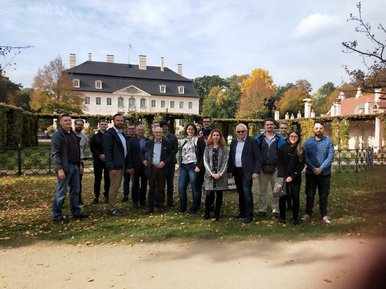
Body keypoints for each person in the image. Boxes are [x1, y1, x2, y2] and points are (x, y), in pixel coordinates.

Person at [51, 114, 89, 222]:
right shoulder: (58, 135)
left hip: (75, 166)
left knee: (75, 191)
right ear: (60, 122)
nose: (68, 122)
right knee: (61, 192)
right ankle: (57, 216)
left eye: (69, 120)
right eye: (65, 120)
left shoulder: (72, 134)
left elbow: (77, 151)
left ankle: (75, 212)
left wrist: (80, 164)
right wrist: (59, 169)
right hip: (65, 167)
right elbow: (55, 154)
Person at [303, 121, 335, 224]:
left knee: (324, 195)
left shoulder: (328, 142)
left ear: (323, 129)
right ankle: (308, 213)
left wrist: (321, 168)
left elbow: (330, 157)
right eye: (316, 128)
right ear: (313, 129)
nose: (318, 130)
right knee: (310, 194)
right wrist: (313, 168)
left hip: (324, 174)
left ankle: (324, 215)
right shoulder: (307, 143)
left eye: (320, 128)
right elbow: (305, 157)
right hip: (310, 173)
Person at [228, 123, 260, 224]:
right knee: (240, 192)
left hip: (248, 172)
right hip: (237, 171)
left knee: (247, 193)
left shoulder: (252, 141)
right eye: (239, 131)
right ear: (236, 132)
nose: (241, 133)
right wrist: (230, 170)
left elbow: (258, 158)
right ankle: (242, 212)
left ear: (246, 131)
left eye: (243, 131)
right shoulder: (233, 142)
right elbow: (231, 156)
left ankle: (249, 215)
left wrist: (256, 171)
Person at [255, 118, 286, 218]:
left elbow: (283, 154)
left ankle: (275, 209)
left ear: (274, 126)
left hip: (276, 169)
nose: (269, 126)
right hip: (262, 169)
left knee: (276, 190)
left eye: (271, 124)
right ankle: (262, 209)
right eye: (267, 124)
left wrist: (280, 166)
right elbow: (255, 154)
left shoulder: (280, 139)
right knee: (261, 191)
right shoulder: (258, 139)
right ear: (264, 126)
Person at [102, 114, 130, 216]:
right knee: (114, 187)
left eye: (122, 121)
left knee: (117, 186)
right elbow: (107, 152)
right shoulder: (109, 134)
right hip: (115, 166)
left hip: (121, 164)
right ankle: (112, 208)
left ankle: (114, 206)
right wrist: (111, 167)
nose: (120, 122)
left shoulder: (121, 134)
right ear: (114, 121)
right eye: (118, 120)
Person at [142, 126, 172, 214]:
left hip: (162, 168)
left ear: (163, 133)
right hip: (151, 168)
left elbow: (171, 155)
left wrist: (164, 162)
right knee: (151, 188)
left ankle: (161, 206)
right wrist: (143, 160)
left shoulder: (167, 143)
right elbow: (141, 152)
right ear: (154, 133)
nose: (158, 134)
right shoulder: (148, 143)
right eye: (157, 132)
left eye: (160, 132)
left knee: (161, 188)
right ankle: (150, 207)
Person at [277, 129, 305, 225]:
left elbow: (301, 165)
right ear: (288, 137)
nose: (293, 138)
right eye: (291, 136)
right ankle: (282, 217)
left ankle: (295, 218)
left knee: (295, 197)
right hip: (282, 176)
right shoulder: (282, 148)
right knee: (282, 197)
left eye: (295, 136)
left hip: (295, 177)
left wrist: (292, 176)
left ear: (298, 138)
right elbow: (279, 163)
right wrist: (285, 176)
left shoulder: (301, 149)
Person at [178, 123, 206, 215]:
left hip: (194, 166)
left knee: (195, 188)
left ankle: (194, 209)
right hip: (183, 166)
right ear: (186, 130)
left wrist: (199, 166)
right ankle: (182, 208)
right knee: (181, 187)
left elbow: (203, 155)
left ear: (195, 130)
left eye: (192, 129)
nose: (190, 131)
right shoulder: (183, 141)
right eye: (189, 129)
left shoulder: (199, 140)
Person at [203, 129, 229, 221]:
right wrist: (211, 173)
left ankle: (217, 214)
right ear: (211, 136)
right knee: (209, 195)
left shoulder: (224, 148)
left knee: (219, 195)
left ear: (220, 137)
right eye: (214, 135)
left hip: (220, 175)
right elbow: (205, 161)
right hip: (210, 176)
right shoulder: (207, 147)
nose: (216, 137)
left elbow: (225, 162)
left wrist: (220, 174)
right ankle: (207, 213)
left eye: (218, 135)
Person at [127, 124, 148, 208]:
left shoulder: (148, 141)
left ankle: (142, 201)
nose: (140, 131)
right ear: (136, 131)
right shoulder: (132, 141)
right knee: (135, 184)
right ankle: (135, 201)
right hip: (135, 165)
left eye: (142, 130)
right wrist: (129, 166)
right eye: (139, 130)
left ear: (144, 131)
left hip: (145, 166)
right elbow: (129, 154)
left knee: (144, 183)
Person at [90, 119, 110, 204]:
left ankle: (106, 195)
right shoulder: (95, 136)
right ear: (99, 125)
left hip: (108, 160)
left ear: (107, 125)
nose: (103, 126)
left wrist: (106, 155)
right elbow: (92, 148)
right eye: (102, 124)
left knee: (107, 179)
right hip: (98, 160)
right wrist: (100, 155)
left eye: (105, 124)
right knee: (97, 179)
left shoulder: (110, 136)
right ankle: (96, 196)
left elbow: (111, 147)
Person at [160, 120, 178, 207]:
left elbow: (175, 150)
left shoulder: (173, 137)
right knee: (161, 183)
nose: (164, 128)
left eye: (166, 126)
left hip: (170, 163)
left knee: (170, 183)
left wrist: (169, 157)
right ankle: (161, 200)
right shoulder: (158, 136)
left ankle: (170, 201)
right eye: (163, 126)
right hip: (161, 164)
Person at [74, 118, 89, 205]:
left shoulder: (84, 137)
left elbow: (85, 150)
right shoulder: (70, 135)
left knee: (79, 182)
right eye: (77, 124)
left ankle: (78, 199)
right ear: (75, 125)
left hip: (80, 162)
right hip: (70, 161)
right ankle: (62, 201)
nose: (79, 126)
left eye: (81, 125)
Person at [122, 123, 136, 203]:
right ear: (127, 130)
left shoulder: (137, 138)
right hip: (126, 162)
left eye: (132, 129)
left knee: (135, 181)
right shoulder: (124, 139)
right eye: (129, 129)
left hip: (135, 163)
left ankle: (134, 195)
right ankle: (125, 195)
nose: (131, 130)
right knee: (126, 180)